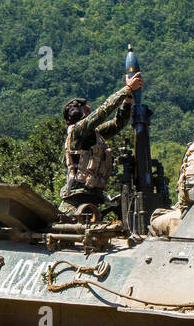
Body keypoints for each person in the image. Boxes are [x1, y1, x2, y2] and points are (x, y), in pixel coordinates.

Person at [59, 70, 142, 218]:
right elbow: (102, 112)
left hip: (89, 201)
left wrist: (128, 99)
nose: (91, 109)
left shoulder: (93, 134)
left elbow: (118, 123)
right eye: (88, 108)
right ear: (83, 111)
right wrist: (127, 89)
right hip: (75, 204)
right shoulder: (78, 131)